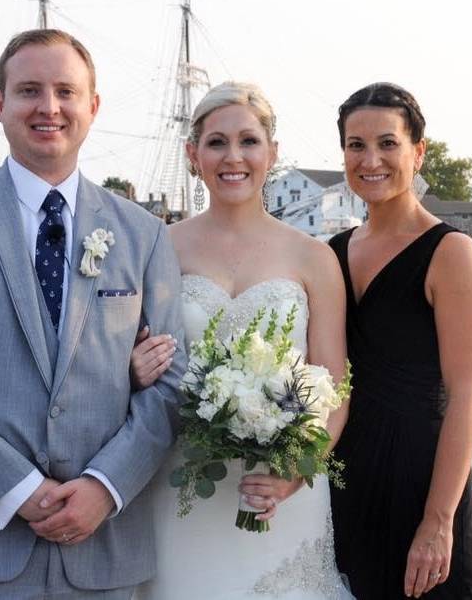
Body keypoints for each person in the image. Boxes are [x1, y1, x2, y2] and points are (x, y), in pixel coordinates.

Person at [0, 29, 186, 599]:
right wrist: (17, 487)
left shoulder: (144, 235)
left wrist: (105, 485)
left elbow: (170, 383)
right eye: (28, 90)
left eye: (65, 92)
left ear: (91, 107)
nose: (48, 107)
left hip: (105, 550)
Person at [129, 81, 353, 599]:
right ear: (193, 155)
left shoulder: (313, 258)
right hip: (183, 481)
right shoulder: (158, 248)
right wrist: (134, 370)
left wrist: (295, 473)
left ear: (272, 153)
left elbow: (335, 387)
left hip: (280, 491)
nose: (234, 157)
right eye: (216, 142)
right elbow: (130, 357)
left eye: (249, 141)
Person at [327, 83, 472, 599]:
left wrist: (438, 522)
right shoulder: (331, 252)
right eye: (356, 145)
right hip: (345, 483)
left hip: (421, 481)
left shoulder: (450, 252)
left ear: (418, 152)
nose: (370, 159)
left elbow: (469, 395)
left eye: (387, 143)